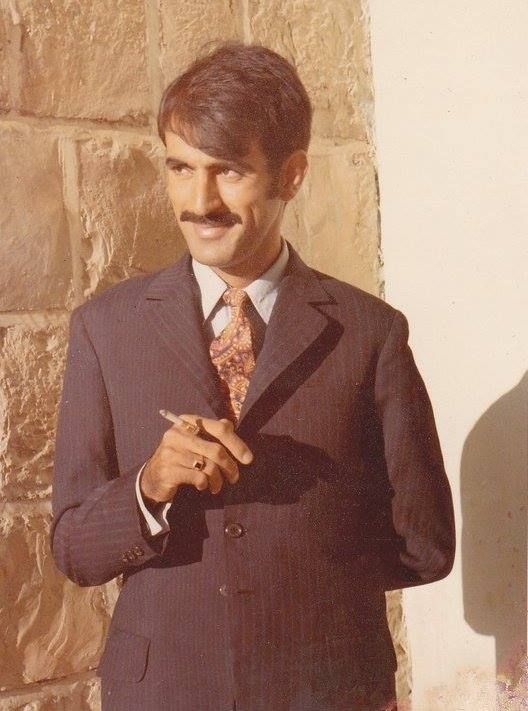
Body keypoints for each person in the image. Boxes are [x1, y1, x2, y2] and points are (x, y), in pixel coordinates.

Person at [51, 43, 455, 711]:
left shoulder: (370, 332)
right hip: (164, 693)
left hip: (328, 693)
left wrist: (305, 576)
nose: (199, 201)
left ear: (290, 175)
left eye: (229, 171)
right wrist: (148, 486)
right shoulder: (105, 328)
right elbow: (72, 548)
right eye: (181, 168)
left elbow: (426, 544)